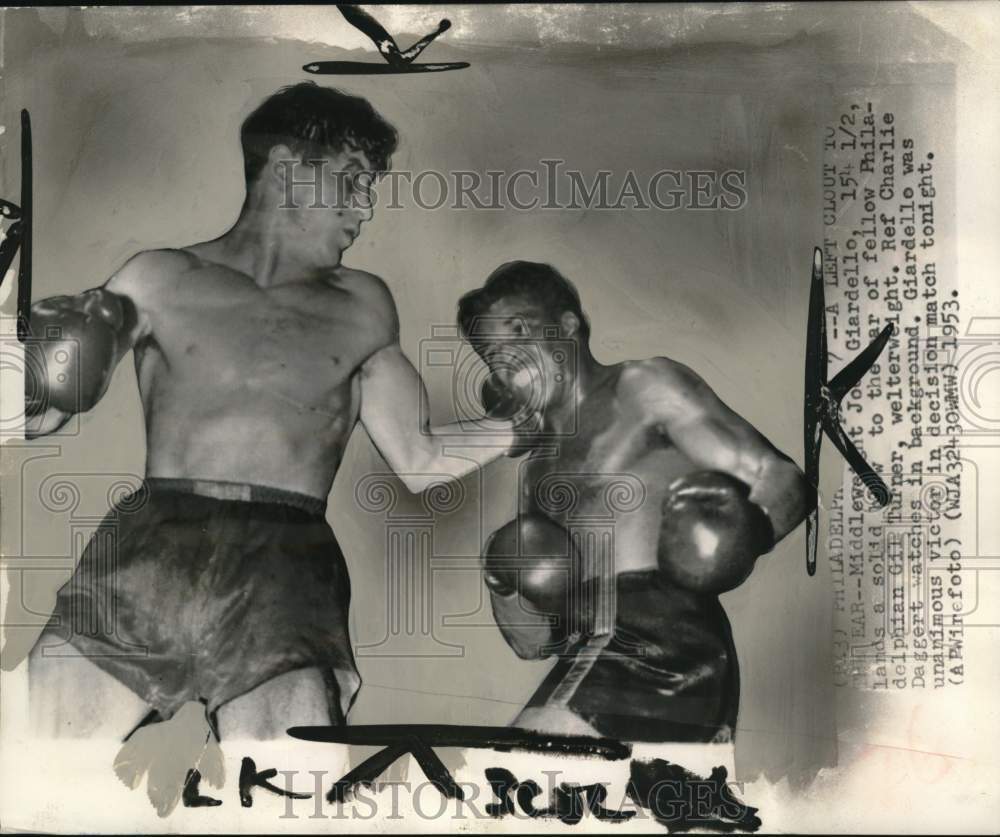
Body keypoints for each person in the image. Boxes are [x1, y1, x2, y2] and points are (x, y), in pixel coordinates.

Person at [24, 82, 515, 740]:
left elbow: (419, 458)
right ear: (288, 168)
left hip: (285, 569)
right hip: (149, 549)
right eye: (352, 181)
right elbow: (40, 411)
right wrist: (34, 377)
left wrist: (536, 421)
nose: (366, 208)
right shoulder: (158, 276)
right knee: (32, 765)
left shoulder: (363, 303)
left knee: (289, 795)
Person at [462, 261, 814, 742]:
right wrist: (503, 581)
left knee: (517, 780)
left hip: (666, 640)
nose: (507, 358)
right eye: (492, 352)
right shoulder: (536, 471)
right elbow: (534, 642)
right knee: (611, 811)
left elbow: (783, 480)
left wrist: (743, 532)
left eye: (519, 331)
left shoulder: (644, 387)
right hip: (590, 653)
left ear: (568, 324)